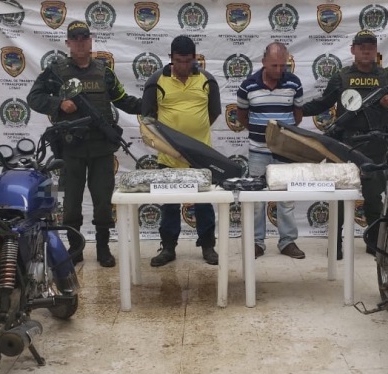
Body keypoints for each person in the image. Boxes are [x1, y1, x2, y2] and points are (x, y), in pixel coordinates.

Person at [27, 20, 141, 267]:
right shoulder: (56, 72)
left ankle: (103, 248)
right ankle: (75, 248)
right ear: (68, 43)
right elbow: (34, 98)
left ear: (90, 41)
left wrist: (149, 105)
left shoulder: (104, 71)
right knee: (70, 203)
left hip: (101, 148)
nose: (80, 44)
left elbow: (123, 100)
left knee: (103, 201)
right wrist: (59, 104)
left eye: (84, 39)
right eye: (75, 39)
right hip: (71, 149)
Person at [302, 29, 388, 258]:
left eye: (371, 47)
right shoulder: (341, 77)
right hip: (346, 144)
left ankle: (374, 242)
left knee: (373, 197)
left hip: (376, 143)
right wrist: (298, 110)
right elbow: (322, 103)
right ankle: (336, 244)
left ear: (376, 50)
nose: (366, 51)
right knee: (339, 196)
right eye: (361, 47)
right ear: (353, 50)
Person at [141, 35, 222, 267]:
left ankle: (208, 246)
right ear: (171, 58)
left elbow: (214, 113)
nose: (184, 66)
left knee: (204, 204)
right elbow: (148, 117)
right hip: (169, 157)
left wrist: (194, 133)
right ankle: (168, 248)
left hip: (201, 156)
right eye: (178, 61)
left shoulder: (207, 80)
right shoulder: (156, 81)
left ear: (195, 58)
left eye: (188, 61)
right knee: (169, 204)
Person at [236, 42, 305, 260]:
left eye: (282, 65)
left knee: (286, 199)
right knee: (256, 200)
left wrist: (283, 137)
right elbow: (242, 116)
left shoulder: (294, 83)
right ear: (263, 61)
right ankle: (257, 242)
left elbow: (298, 115)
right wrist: (261, 134)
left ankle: (287, 242)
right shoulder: (247, 86)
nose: (279, 70)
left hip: (285, 152)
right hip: (258, 152)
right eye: (274, 65)